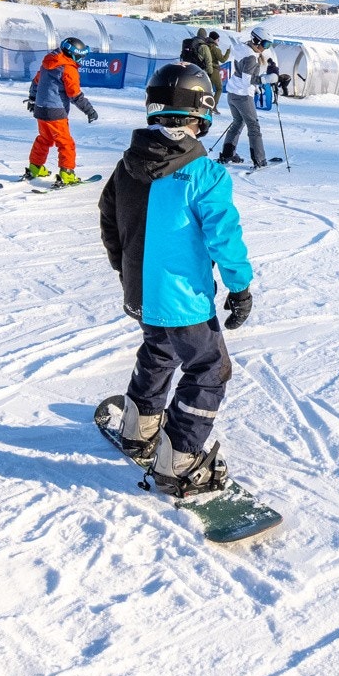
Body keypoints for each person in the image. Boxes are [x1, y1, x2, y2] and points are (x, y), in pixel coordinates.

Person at [98, 62, 252, 496]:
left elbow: (109, 218)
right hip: (182, 300)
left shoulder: (127, 165)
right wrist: (239, 286)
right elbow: (224, 235)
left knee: (159, 349)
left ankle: (139, 428)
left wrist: (124, 266)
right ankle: (180, 458)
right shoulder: (205, 174)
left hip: (141, 292)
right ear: (202, 115)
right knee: (209, 369)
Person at [25, 36, 98, 184]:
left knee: (44, 139)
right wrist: (89, 110)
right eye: (79, 56)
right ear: (72, 54)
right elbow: (75, 94)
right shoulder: (68, 68)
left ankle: (35, 167)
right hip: (56, 112)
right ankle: (67, 173)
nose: (80, 60)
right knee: (65, 143)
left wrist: (33, 99)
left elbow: (36, 82)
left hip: (40, 109)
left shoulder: (48, 63)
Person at [218, 28, 276, 168]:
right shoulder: (250, 56)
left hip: (233, 93)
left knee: (237, 122)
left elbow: (243, 75)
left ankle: (228, 154)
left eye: (269, 45)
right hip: (242, 96)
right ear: (256, 40)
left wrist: (256, 87)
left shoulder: (242, 48)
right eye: (265, 44)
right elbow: (247, 80)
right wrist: (266, 79)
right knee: (253, 126)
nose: (265, 48)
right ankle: (259, 159)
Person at [202, 29, 229, 101]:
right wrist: (228, 52)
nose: (218, 41)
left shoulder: (205, 46)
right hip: (214, 70)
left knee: (208, 88)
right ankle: (213, 106)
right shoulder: (215, 49)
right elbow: (223, 60)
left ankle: (206, 104)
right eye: (218, 39)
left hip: (206, 69)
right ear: (214, 39)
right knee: (219, 88)